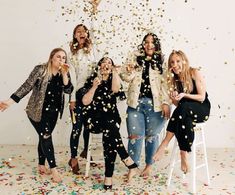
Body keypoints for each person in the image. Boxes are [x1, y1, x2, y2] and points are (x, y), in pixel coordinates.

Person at [0, 48, 73, 183]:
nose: (61, 60)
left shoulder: (64, 73)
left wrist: (65, 74)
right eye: (58, 57)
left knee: (44, 137)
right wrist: (10, 101)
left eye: (64, 58)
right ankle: (54, 169)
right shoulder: (41, 70)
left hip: (54, 112)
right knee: (46, 135)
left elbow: (69, 90)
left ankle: (41, 164)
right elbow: (26, 86)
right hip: (37, 111)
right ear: (51, 58)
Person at [81, 57, 138, 190]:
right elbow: (85, 102)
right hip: (94, 119)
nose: (106, 64)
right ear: (99, 65)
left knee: (109, 133)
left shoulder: (114, 78)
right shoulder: (92, 79)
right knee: (111, 130)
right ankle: (129, 164)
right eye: (104, 62)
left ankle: (109, 178)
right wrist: (94, 86)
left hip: (111, 116)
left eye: (109, 63)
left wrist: (115, 73)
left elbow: (116, 90)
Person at [120, 33, 171, 177]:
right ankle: (133, 167)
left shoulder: (162, 60)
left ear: (157, 44)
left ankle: (149, 166)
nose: (149, 45)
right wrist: (128, 70)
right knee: (134, 136)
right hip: (136, 103)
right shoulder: (134, 57)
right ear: (143, 44)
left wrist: (166, 103)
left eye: (152, 42)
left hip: (156, 105)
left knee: (151, 136)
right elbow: (125, 77)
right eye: (146, 42)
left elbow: (166, 84)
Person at [153, 50, 211, 173]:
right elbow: (179, 105)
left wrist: (184, 94)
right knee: (183, 113)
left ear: (184, 61)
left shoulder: (194, 72)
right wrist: (174, 99)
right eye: (172, 62)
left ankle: (165, 143)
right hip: (185, 113)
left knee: (184, 108)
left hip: (202, 109)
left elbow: (202, 97)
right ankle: (183, 153)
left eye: (178, 61)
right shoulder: (173, 79)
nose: (175, 64)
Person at [67, 24, 98, 174]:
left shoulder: (92, 50)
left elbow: (95, 29)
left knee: (88, 125)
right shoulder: (71, 54)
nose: (81, 33)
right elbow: (71, 78)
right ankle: (73, 158)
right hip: (78, 94)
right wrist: (72, 99)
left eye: (84, 31)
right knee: (76, 127)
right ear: (74, 35)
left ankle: (87, 152)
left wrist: (94, 10)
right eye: (78, 31)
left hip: (91, 93)